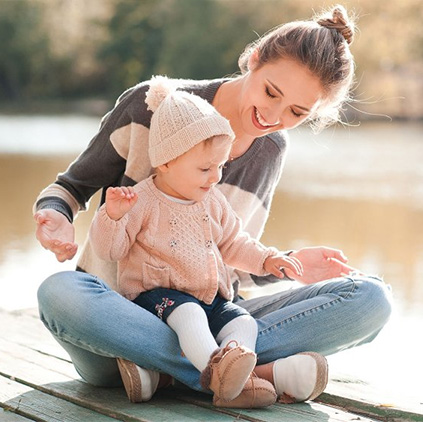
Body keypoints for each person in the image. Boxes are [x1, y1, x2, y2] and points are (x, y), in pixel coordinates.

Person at [34, 4, 392, 407]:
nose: (272, 115)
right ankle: (243, 374)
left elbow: (228, 259)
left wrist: (285, 263)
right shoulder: (153, 106)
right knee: (60, 292)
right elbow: (71, 186)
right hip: (120, 320)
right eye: (271, 92)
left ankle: (179, 373)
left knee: (369, 299)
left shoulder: (270, 150)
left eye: (296, 112)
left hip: (206, 316)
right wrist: (56, 215)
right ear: (253, 60)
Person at [89, 77, 308, 407]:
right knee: (189, 314)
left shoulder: (213, 201)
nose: (216, 176)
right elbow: (110, 250)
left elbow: (234, 243)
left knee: (242, 320)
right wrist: (113, 216)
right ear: (165, 162)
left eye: (221, 166)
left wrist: (267, 260)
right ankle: (218, 378)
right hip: (157, 298)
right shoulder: (142, 200)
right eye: (206, 167)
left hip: (209, 296)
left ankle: (234, 362)